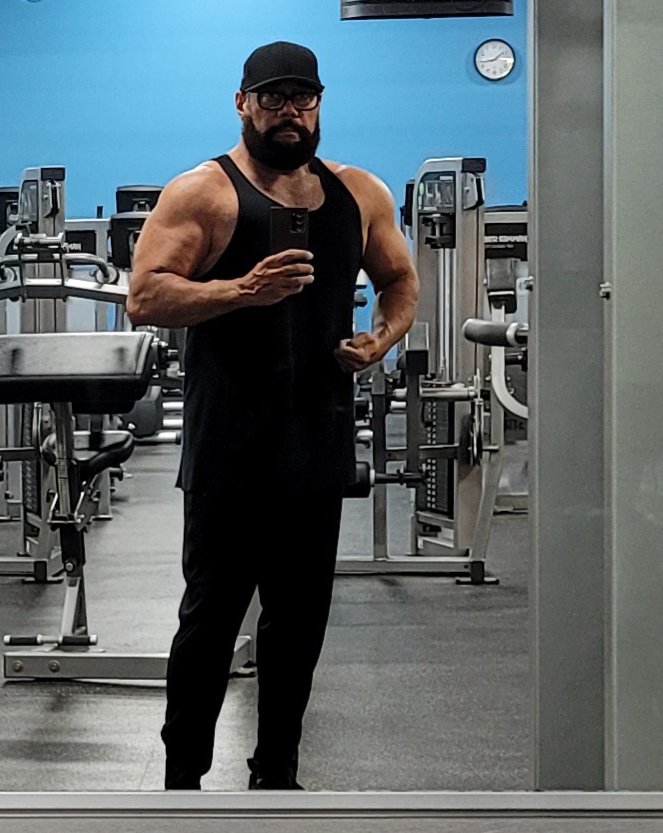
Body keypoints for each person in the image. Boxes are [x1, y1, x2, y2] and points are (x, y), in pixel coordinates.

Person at [127, 40, 419, 791]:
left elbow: (399, 280)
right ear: (242, 104)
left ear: (318, 105)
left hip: (315, 444)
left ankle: (277, 777)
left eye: (302, 99)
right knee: (210, 620)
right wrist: (239, 292)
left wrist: (378, 340)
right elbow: (146, 296)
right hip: (229, 446)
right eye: (272, 98)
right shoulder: (204, 192)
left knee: (298, 624)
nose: (289, 112)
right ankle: (183, 782)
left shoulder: (359, 192)